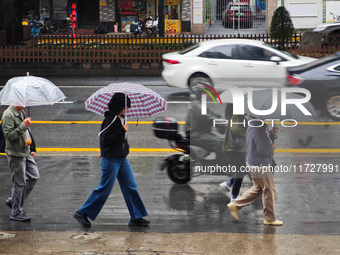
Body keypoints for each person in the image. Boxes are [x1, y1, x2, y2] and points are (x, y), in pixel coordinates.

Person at [73, 93, 150, 227]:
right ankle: (82, 212)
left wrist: (123, 135)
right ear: (120, 106)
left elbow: (116, 139)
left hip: (121, 158)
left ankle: (136, 216)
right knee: (105, 188)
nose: (128, 109)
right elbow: (105, 139)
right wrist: (121, 131)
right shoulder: (110, 119)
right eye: (126, 106)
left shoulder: (121, 118)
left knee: (131, 186)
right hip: (111, 160)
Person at [227, 119, 283, 226]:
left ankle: (235, 205)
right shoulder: (259, 128)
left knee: (257, 188)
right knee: (270, 189)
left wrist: (271, 134)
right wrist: (272, 148)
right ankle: (269, 218)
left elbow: (258, 141)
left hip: (253, 161)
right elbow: (262, 149)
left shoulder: (254, 123)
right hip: (259, 164)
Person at [1, 105, 39, 222]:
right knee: (19, 183)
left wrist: (32, 147)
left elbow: (27, 132)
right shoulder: (8, 114)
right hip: (15, 153)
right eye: (23, 100)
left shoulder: (21, 112)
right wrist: (23, 125)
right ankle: (16, 212)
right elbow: (8, 136)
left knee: (34, 176)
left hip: (25, 150)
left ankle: (14, 200)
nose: (26, 102)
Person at [219, 103, 247, 202]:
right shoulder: (237, 116)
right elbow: (236, 130)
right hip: (237, 147)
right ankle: (234, 197)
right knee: (241, 170)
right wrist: (246, 128)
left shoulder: (233, 112)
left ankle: (228, 184)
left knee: (244, 168)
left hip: (235, 146)